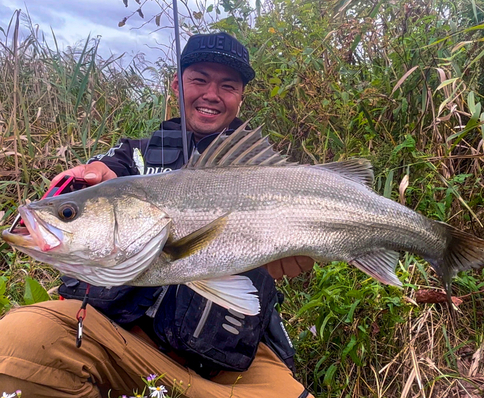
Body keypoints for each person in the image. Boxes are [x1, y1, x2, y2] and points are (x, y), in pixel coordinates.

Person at [0, 32, 314, 398]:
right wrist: (84, 185)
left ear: (241, 97)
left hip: (228, 364)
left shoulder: (267, 176)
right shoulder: (132, 158)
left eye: (228, 85)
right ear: (176, 86)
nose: (211, 94)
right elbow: (107, 171)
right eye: (199, 79)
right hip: (122, 344)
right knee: (15, 346)